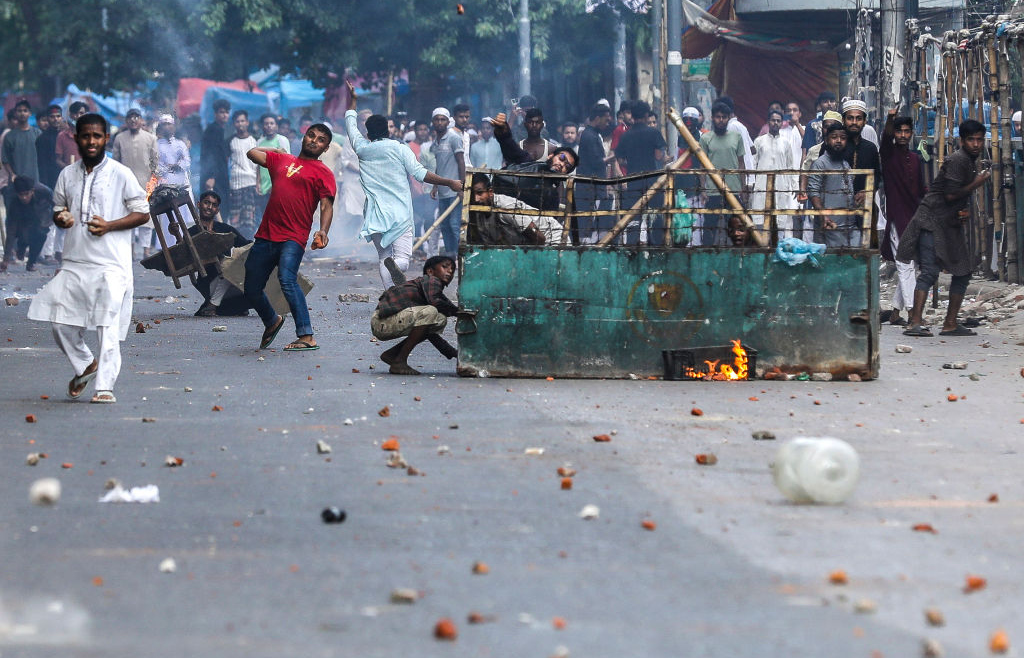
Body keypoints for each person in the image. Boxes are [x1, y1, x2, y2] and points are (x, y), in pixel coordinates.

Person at [26, 113, 150, 404]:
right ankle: (84, 364)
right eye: (85, 136)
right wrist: (62, 218)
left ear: (106, 139)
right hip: (75, 262)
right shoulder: (67, 175)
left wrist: (109, 225)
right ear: (76, 138)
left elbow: (142, 212)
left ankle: (104, 387)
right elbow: (59, 210)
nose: (91, 141)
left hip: (111, 264)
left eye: (97, 136)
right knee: (59, 320)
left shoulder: (120, 173)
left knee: (106, 325)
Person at [344, 81, 464, 289]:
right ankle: (395, 276)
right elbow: (421, 174)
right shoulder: (401, 149)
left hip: (374, 214)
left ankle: (391, 294)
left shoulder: (362, 148)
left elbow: (350, 125)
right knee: (403, 260)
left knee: (384, 258)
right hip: (399, 214)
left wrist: (353, 101)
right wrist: (449, 182)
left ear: (369, 134)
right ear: (388, 132)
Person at [244, 122, 336, 352]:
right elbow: (252, 153)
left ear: (326, 148)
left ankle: (306, 335)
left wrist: (323, 230)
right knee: (251, 289)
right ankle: (272, 321)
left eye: (321, 139)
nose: (314, 140)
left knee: (287, 279)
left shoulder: (323, 172)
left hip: (293, 237)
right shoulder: (282, 161)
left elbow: (326, 205)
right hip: (266, 235)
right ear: (303, 138)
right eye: (311, 135)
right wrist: (277, 151)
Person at [898, 120, 990, 338]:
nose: (976, 144)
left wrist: (963, 209)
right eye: (971, 140)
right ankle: (915, 322)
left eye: (979, 139)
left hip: (948, 223)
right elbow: (949, 194)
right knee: (930, 271)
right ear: (962, 141)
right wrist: (976, 183)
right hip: (932, 221)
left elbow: (954, 194)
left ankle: (950, 323)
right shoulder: (959, 160)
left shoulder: (969, 160)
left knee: (962, 271)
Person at [371, 255, 460, 375]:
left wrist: (453, 353)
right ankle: (399, 362)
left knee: (439, 319)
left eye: (452, 270)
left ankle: (392, 355)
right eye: (445, 267)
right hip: (382, 321)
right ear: (430, 271)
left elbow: (430, 333)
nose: (449, 271)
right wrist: (458, 312)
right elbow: (436, 302)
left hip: (384, 323)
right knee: (431, 312)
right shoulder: (432, 280)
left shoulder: (428, 289)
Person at [880, 108, 926, 326]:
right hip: (897, 218)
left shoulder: (916, 159)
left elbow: (920, 189)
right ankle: (912, 312)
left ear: (911, 134)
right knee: (905, 264)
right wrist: (890, 118)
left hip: (914, 216)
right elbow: (886, 136)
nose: (903, 135)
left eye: (907, 131)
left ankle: (895, 312)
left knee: (909, 265)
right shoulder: (888, 154)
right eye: (899, 131)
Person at [489, 112, 578, 212]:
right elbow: (511, 148)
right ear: (551, 156)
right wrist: (503, 132)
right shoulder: (528, 164)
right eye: (562, 158)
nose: (562, 164)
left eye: (567, 166)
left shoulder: (553, 197)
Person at [188, 190, 252, 317]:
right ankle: (212, 305)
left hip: (231, 284)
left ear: (217, 210)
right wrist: (175, 233)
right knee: (230, 266)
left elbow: (247, 245)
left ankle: (233, 306)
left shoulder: (225, 229)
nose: (209, 207)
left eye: (214, 205)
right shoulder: (191, 233)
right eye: (206, 203)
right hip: (209, 283)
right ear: (199, 204)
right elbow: (181, 256)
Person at [614, 101, 666, 245]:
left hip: (633, 181)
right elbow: (658, 156)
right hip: (652, 180)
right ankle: (656, 246)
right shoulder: (654, 132)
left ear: (633, 115)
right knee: (655, 214)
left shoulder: (626, 136)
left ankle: (632, 245)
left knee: (633, 216)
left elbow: (620, 159)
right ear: (646, 115)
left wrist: (632, 161)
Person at [697, 102, 748, 246]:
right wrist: (703, 189)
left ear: (728, 118)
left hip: (733, 189)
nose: (721, 120)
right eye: (718, 117)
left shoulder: (736, 137)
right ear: (712, 118)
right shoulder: (706, 139)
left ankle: (737, 258)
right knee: (709, 227)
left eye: (724, 117)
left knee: (735, 225)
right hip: (713, 190)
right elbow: (702, 165)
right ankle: (707, 257)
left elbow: (741, 163)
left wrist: (743, 188)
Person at [112, 108, 159, 258]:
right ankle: (130, 251)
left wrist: (153, 182)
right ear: (126, 121)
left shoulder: (151, 138)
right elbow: (115, 162)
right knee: (128, 216)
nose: (133, 120)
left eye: (136, 117)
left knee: (146, 217)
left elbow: (156, 162)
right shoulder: (119, 138)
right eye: (130, 117)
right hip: (125, 184)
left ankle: (146, 251)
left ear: (141, 120)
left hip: (146, 183)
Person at [468, 173, 562, 245]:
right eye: (472, 194)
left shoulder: (506, 206)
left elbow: (539, 238)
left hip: (552, 237)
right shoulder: (477, 214)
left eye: (480, 193)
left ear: (490, 192)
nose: (476, 199)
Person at [751, 110, 798, 241]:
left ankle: (779, 250)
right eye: (773, 120)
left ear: (782, 123)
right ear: (768, 122)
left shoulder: (786, 143)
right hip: (762, 185)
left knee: (780, 221)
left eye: (778, 120)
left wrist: (794, 186)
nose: (775, 123)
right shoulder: (759, 141)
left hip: (781, 186)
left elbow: (790, 166)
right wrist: (750, 184)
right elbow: (753, 163)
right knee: (761, 221)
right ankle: (761, 249)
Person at [807, 124, 857, 247]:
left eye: (843, 138)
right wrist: (823, 215)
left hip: (850, 227)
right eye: (834, 137)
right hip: (829, 226)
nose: (839, 141)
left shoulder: (845, 164)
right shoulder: (820, 164)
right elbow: (813, 192)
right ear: (827, 140)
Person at [429, 107, 466, 258]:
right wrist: (435, 186)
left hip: (454, 190)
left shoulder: (454, 137)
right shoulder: (436, 141)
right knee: (444, 225)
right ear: (433, 122)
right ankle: (450, 256)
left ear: (447, 121)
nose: (439, 122)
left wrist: (462, 187)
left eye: (442, 119)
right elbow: (439, 164)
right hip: (443, 191)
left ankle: (460, 256)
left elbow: (461, 162)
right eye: (437, 119)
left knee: (454, 224)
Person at [575, 103, 614, 243]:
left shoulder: (592, 134)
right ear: (598, 118)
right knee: (588, 223)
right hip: (589, 188)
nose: (608, 123)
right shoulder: (589, 136)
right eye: (606, 119)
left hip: (593, 187)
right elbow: (596, 162)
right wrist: (612, 156)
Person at [1, 177, 52, 271]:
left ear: (32, 191)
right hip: (22, 220)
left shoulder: (43, 192)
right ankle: (21, 247)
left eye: (26, 194)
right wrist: (6, 259)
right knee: (22, 237)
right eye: (21, 195)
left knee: (40, 235)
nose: (24, 197)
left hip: (40, 216)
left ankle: (31, 263)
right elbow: (11, 232)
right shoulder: (14, 203)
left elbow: (56, 203)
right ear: (17, 194)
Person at [840, 99, 881, 211]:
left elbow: (877, 176)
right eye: (850, 118)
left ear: (864, 121)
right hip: (837, 207)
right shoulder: (834, 146)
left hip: (863, 207)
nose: (854, 122)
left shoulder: (870, 148)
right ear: (843, 120)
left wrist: (868, 191)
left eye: (858, 118)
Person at [227, 110, 259, 239]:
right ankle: (236, 244)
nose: (240, 124)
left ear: (247, 122)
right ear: (234, 124)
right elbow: (226, 163)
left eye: (242, 121)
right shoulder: (230, 141)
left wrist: (258, 183)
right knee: (235, 218)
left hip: (251, 183)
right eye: (237, 121)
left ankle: (248, 244)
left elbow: (259, 164)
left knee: (249, 217)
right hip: (236, 184)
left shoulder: (255, 140)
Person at [1, 99, 40, 184]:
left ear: (30, 113)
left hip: (35, 180)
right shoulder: (9, 136)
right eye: (19, 111)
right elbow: (5, 160)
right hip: (17, 182)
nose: (22, 113)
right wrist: (12, 174)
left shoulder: (37, 133)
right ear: (15, 113)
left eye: (25, 111)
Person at [201, 99, 231, 203]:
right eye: (222, 112)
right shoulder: (213, 130)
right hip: (214, 177)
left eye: (227, 112)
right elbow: (210, 155)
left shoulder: (222, 130)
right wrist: (211, 176)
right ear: (215, 114)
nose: (224, 115)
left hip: (221, 175)